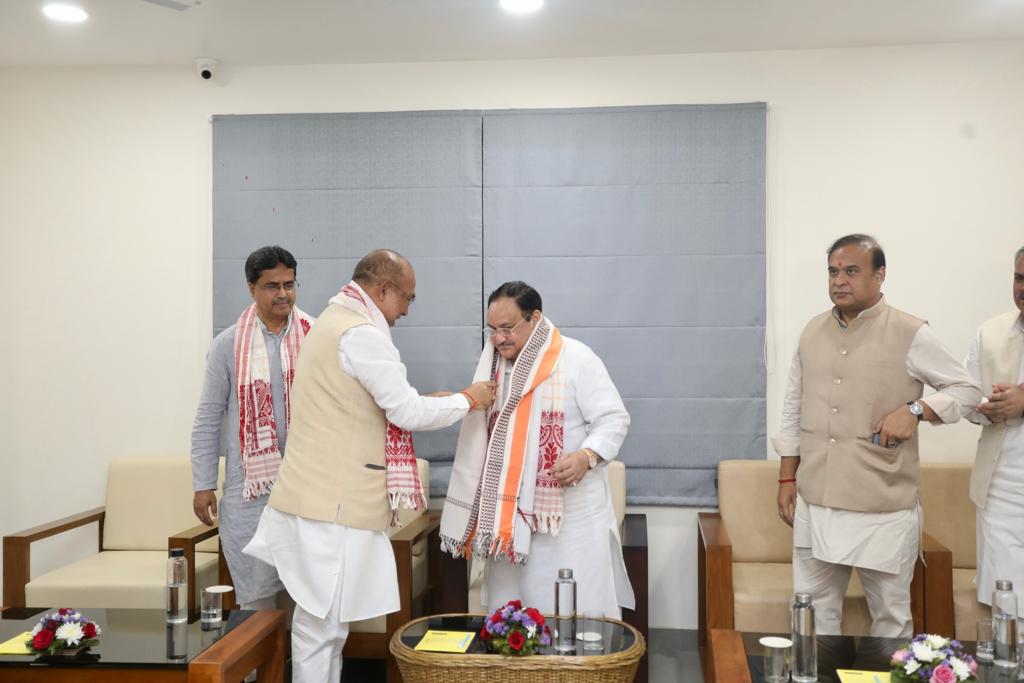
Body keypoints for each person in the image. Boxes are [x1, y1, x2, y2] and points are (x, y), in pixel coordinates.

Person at [242, 249, 495, 683]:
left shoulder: (334, 320)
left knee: (329, 625)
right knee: (320, 626)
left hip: (320, 502)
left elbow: (373, 406)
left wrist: (443, 401)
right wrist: (469, 399)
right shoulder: (360, 334)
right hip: (331, 506)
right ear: (383, 290)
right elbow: (406, 413)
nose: (406, 312)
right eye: (407, 299)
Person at [773, 234, 980, 638]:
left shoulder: (909, 331)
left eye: (851, 271)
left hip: (881, 505)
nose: (839, 281)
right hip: (815, 501)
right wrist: (785, 478)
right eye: (833, 271)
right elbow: (792, 410)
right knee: (813, 617)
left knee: (890, 618)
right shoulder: (812, 331)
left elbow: (968, 391)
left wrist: (916, 411)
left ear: (880, 275)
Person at [440, 281, 635, 619]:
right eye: (493, 329)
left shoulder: (574, 358)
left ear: (535, 317)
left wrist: (585, 457)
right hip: (509, 523)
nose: (499, 338)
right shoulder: (490, 369)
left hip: (567, 521)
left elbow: (613, 419)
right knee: (512, 618)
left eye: (507, 328)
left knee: (573, 615)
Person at [190, 245, 313, 612]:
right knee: (257, 601)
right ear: (251, 289)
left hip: (306, 489)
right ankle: (263, 672)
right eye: (272, 286)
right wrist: (202, 484)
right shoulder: (228, 345)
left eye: (289, 284)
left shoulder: (316, 336)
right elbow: (208, 418)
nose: (283, 294)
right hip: (250, 495)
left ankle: (299, 671)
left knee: (304, 599)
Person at [966, 246, 1024, 612]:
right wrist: (988, 408)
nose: (1023, 288)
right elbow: (967, 393)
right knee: (1007, 605)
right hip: (1002, 488)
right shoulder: (991, 332)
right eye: (1019, 278)